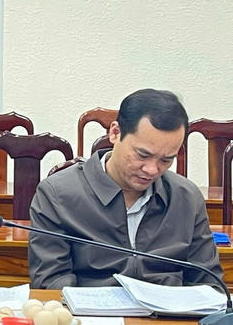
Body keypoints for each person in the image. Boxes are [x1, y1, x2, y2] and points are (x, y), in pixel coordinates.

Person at [29, 89, 223, 289]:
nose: (152, 170)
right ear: (115, 133)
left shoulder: (186, 197)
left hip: (169, 307)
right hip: (90, 307)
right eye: (142, 155)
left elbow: (209, 283)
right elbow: (50, 283)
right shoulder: (58, 194)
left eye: (166, 160)